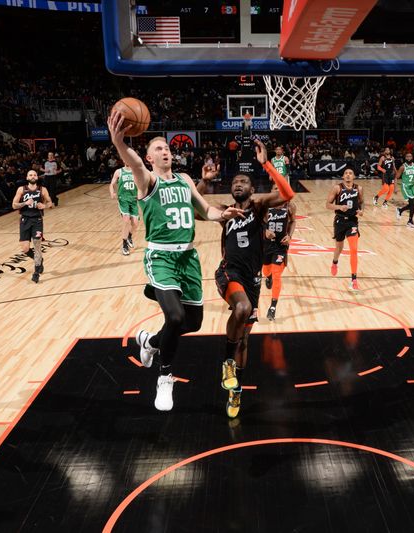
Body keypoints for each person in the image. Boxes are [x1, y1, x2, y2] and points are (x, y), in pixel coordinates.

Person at [107, 111, 243, 412]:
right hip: (161, 256)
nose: (165, 150)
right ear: (149, 158)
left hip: (189, 258)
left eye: (167, 148)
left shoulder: (183, 180)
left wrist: (224, 214)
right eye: (158, 148)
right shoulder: (147, 180)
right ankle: (165, 376)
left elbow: (206, 210)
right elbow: (134, 162)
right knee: (177, 317)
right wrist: (118, 141)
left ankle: (151, 342)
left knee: (193, 322)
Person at [213, 140, 295, 418]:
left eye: (244, 181)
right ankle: (226, 362)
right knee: (243, 309)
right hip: (228, 271)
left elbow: (287, 193)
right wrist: (202, 182)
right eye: (234, 181)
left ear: (251, 188)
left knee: (245, 341)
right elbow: (196, 208)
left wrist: (266, 163)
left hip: (253, 280)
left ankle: (236, 392)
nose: (238, 184)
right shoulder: (225, 211)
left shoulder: (259, 207)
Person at [262, 185, 297, 321]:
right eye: (275, 188)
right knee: (266, 271)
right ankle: (268, 276)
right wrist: (265, 231)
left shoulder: (290, 206)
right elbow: (258, 223)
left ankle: (272, 306)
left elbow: (293, 221)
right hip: (266, 245)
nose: (277, 190)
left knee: (277, 274)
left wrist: (289, 236)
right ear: (271, 191)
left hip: (280, 246)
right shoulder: (265, 205)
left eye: (279, 188)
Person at [11, 170, 53, 283]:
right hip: (24, 220)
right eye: (30, 175)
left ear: (37, 177)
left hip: (37, 221)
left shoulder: (42, 189)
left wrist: (44, 205)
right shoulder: (21, 189)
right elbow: (14, 205)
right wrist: (25, 203)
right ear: (27, 177)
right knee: (25, 249)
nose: (33, 176)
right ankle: (39, 260)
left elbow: (50, 203)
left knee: (37, 245)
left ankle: (36, 272)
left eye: (34, 175)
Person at [327, 166, 363, 290]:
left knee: (354, 249)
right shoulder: (337, 188)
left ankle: (354, 279)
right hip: (340, 221)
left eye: (350, 173)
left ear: (354, 176)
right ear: (343, 176)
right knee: (339, 248)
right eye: (346, 173)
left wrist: (361, 211)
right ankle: (335, 262)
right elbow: (328, 205)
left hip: (353, 222)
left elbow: (361, 202)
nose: (348, 175)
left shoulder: (359, 188)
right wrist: (339, 207)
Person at [109, 165, 139, 256]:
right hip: (123, 199)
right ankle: (124, 244)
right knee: (126, 220)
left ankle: (129, 235)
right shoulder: (119, 171)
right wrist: (112, 192)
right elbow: (112, 184)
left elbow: (141, 184)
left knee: (135, 223)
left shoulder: (136, 171)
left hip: (133, 199)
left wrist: (140, 193)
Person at [395, 152, 414, 228]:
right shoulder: (402, 167)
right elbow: (396, 177)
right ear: (405, 158)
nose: (409, 158)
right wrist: (395, 188)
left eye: (410, 156)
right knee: (413, 203)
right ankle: (410, 221)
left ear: (412, 157)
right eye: (407, 156)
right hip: (405, 186)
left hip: (412, 186)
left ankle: (400, 210)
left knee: (412, 204)